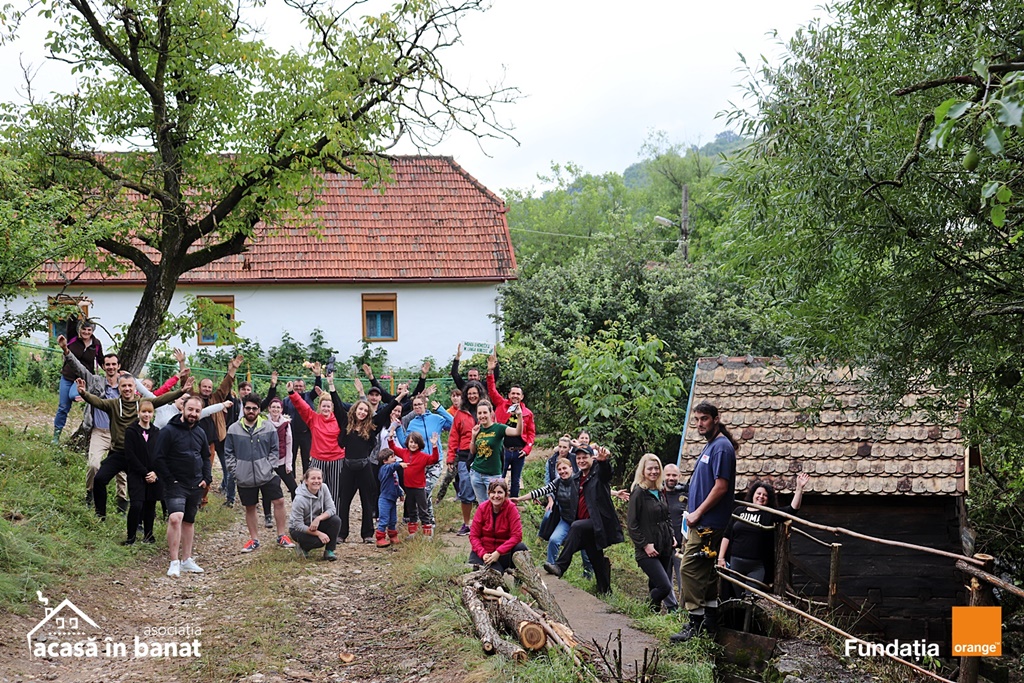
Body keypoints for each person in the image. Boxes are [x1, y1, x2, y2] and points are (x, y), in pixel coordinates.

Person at [76, 372, 186, 519]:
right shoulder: (113, 404)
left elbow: (160, 399)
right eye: (124, 386)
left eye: (130, 386)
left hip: (137, 456)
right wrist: (84, 393)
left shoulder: (141, 404)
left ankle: (143, 520)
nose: (127, 389)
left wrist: (181, 391)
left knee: (143, 487)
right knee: (99, 479)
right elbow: (98, 402)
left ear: (135, 388)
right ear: (119, 388)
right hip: (117, 453)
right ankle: (100, 515)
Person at [671, 401, 737, 643]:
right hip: (703, 521)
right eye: (697, 419)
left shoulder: (721, 448)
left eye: (704, 419)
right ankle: (710, 620)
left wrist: (697, 513)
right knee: (707, 572)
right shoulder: (712, 445)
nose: (699, 424)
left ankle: (694, 624)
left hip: (708, 523)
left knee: (688, 568)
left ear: (716, 418)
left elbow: (721, 487)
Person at [542, 445, 624, 596]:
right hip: (586, 526)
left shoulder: (598, 473)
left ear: (592, 458)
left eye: (585, 457)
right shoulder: (576, 478)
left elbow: (607, 475)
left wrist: (604, 462)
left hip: (599, 523)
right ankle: (605, 590)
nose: (581, 460)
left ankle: (560, 566)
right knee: (596, 558)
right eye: (578, 458)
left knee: (576, 527)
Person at [330, 377, 402, 544]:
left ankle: (367, 533)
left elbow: (386, 411)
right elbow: (337, 404)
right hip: (347, 467)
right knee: (344, 500)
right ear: (355, 410)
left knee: (367, 500)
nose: (362, 412)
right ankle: (342, 533)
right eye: (360, 409)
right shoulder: (345, 423)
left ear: (368, 413)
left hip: (364, 467)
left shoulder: (371, 426)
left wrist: (399, 397)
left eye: (365, 411)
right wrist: (331, 384)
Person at [224, 395, 296, 553]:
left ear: (259, 410)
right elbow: (228, 453)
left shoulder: (268, 427)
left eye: (254, 408)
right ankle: (254, 539)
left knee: (279, 501)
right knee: (250, 507)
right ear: (244, 409)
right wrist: (236, 471)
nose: (251, 411)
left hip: (267, 474)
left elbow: (274, 450)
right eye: (248, 408)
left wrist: (269, 466)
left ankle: (281, 535)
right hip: (244, 477)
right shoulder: (233, 429)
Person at [719, 472, 810, 590]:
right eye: (759, 493)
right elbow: (727, 535)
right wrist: (721, 558)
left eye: (765, 495)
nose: (761, 496)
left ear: (769, 499)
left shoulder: (769, 514)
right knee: (737, 598)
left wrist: (799, 488)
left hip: (757, 566)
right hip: (736, 562)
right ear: (752, 494)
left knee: (752, 597)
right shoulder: (739, 511)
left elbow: (792, 509)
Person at [153, 396, 212, 577]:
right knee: (175, 518)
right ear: (182, 409)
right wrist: (169, 479)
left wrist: (206, 478)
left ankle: (186, 560)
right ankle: (174, 561)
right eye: (190, 410)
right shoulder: (168, 431)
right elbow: (158, 458)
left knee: (188, 521)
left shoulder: (201, 433)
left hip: (195, 483)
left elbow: (205, 456)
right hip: (175, 483)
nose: (193, 414)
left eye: (197, 411)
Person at [287, 380, 346, 516]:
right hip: (318, 460)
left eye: (328, 406)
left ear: (332, 407)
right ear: (319, 406)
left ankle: (333, 518)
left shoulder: (339, 419)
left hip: (336, 460)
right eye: (323, 406)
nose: (326, 409)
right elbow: (302, 406)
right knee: (314, 489)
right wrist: (292, 392)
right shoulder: (313, 418)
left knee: (335, 491)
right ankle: (314, 516)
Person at [627, 454, 675, 613]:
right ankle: (644, 608)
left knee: (655, 584)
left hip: (665, 546)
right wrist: (645, 544)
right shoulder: (639, 492)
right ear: (643, 470)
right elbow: (632, 524)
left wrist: (672, 535)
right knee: (664, 587)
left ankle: (652, 615)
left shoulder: (660, 490)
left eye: (656, 468)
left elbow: (666, 516)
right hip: (647, 550)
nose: (654, 471)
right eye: (650, 468)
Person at [485, 353, 535, 498]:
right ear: (508, 395)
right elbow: (492, 389)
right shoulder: (501, 404)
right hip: (503, 449)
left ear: (522, 396)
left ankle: (513, 503)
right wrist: (490, 371)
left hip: (519, 451)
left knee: (516, 480)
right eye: (513, 393)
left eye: (518, 394)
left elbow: (531, 433)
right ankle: (497, 500)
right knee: (499, 477)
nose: (515, 396)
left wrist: (527, 449)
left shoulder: (527, 413)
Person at [197, 355, 243, 506]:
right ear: (199, 387)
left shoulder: (216, 397)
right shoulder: (194, 399)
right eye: (204, 387)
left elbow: (225, 385)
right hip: (198, 441)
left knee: (221, 469)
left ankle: (212, 499)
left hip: (217, 439)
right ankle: (197, 499)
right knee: (201, 470)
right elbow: (184, 385)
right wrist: (182, 364)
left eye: (209, 387)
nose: (207, 389)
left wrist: (234, 369)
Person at [53, 314, 102, 444]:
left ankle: (79, 396)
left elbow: (102, 360)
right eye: (84, 329)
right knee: (63, 407)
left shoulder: (96, 344)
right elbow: (72, 321)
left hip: (83, 379)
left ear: (92, 331)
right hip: (67, 377)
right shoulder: (73, 338)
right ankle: (56, 436)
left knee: (73, 395)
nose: (86, 332)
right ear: (80, 329)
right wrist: (79, 306)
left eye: (89, 330)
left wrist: (115, 372)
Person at [447, 381, 484, 535]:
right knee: (466, 490)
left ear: (480, 394)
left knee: (485, 491)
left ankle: (484, 524)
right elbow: (453, 436)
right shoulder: (460, 414)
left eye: (475, 393)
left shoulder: (486, 410)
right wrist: (450, 458)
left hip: (484, 454)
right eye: (469, 394)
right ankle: (467, 524)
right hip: (464, 456)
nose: (472, 396)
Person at [468, 400, 523, 504]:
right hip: (476, 473)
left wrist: (519, 415)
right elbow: (473, 451)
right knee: (483, 506)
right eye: (479, 413)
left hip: (493, 476)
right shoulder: (477, 429)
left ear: (491, 413)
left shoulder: (498, 428)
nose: (482, 416)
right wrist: (473, 436)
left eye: (485, 413)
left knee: (495, 506)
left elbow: (517, 432)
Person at [122, 400, 161, 545]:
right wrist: (145, 472)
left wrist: (155, 473)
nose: (146, 415)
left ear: (153, 414)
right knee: (137, 505)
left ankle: (148, 535)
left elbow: (160, 454)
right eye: (144, 411)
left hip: (153, 475)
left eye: (149, 412)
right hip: (137, 474)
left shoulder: (157, 432)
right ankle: (131, 537)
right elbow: (130, 455)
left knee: (150, 506)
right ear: (138, 412)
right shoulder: (131, 431)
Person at [468, 479, 528, 574]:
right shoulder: (482, 508)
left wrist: (498, 552)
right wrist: (483, 553)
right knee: (485, 574)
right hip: (485, 553)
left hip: (504, 553)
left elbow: (517, 536)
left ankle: (521, 580)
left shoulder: (511, 508)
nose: (496, 496)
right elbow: (473, 536)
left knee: (521, 547)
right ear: (489, 494)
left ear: (505, 494)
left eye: (500, 492)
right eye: (493, 492)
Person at [388, 431, 440, 536]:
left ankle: (427, 533)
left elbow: (434, 459)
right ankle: (413, 532)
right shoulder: (404, 453)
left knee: (423, 510)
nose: (413, 445)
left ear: (419, 444)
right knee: (411, 509)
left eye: (415, 443)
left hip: (419, 488)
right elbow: (393, 448)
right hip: (408, 487)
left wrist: (434, 445)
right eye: (411, 442)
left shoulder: (423, 456)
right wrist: (390, 438)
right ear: (407, 442)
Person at [289, 467, 342, 560]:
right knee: (318, 541)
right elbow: (298, 525)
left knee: (335, 520)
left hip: (315, 522)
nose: (316, 481)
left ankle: (329, 551)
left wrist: (318, 519)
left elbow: (332, 509)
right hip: (299, 529)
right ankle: (303, 548)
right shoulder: (299, 499)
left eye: (319, 478)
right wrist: (319, 534)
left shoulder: (324, 488)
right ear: (306, 481)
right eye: (313, 478)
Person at [662, 463, 687, 612]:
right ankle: (671, 608)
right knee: (665, 581)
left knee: (683, 580)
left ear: (679, 477)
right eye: (668, 475)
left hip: (681, 547)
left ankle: (685, 610)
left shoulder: (685, 496)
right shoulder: (657, 494)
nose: (671, 478)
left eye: (674, 475)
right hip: (662, 546)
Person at [374, 448, 404, 547]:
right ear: (385, 461)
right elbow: (392, 467)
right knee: (384, 519)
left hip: (392, 499)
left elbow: (396, 484)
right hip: (384, 499)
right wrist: (399, 464)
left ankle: (393, 536)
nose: (395, 458)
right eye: (392, 457)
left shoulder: (393, 471)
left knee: (393, 519)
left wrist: (400, 494)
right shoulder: (384, 469)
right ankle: (380, 538)